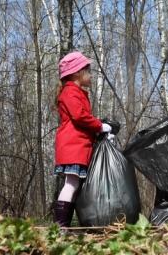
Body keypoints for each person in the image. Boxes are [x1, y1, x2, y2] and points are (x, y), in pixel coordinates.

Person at [53, 51, 113, 227]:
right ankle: (60, 226)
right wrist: (99, 126)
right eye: (87, 71)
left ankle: (63, 226)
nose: (90, 75)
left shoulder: (75, 92)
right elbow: (79, 116)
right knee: (71, 184)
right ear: (76, 73)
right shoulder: (70, 92)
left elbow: (81, 118)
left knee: (73, 185)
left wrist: (99, 128)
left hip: (76, 146)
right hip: (73, 147)